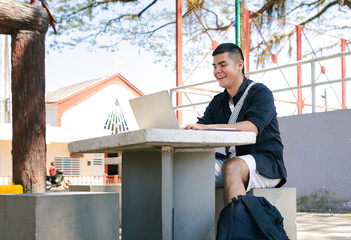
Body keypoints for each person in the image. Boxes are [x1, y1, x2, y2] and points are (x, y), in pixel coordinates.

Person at [182, 43, 287, 205]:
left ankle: (237, 229)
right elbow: (200, 129)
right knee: (189, 166)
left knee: (232, 167)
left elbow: (252, 128)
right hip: (230, 162)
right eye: (215, 66)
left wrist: (206, 127)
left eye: (223, 65)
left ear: (240, 65)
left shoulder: (260, 93)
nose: (217, 71)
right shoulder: (218, 101)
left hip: (265, 164)